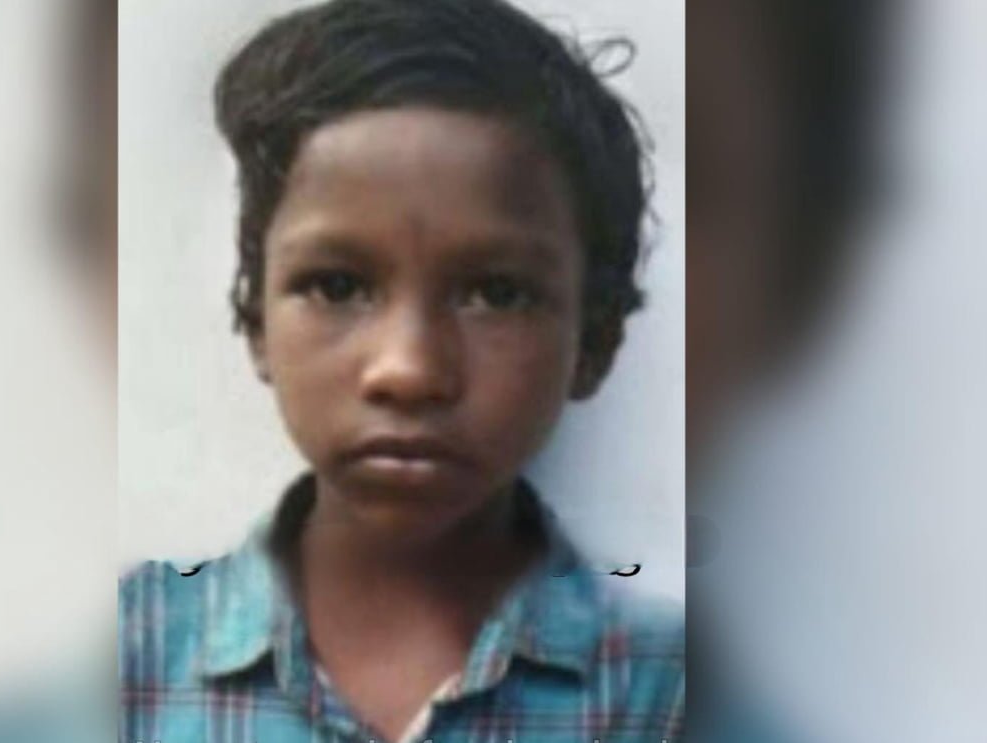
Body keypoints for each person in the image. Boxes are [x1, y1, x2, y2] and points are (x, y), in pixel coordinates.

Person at [119, 1, 683, 741]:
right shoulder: (128, 661)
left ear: (595, 340)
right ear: (256, 320)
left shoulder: (667, 690)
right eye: (338, 285)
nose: (409, 370)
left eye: (496, 293)